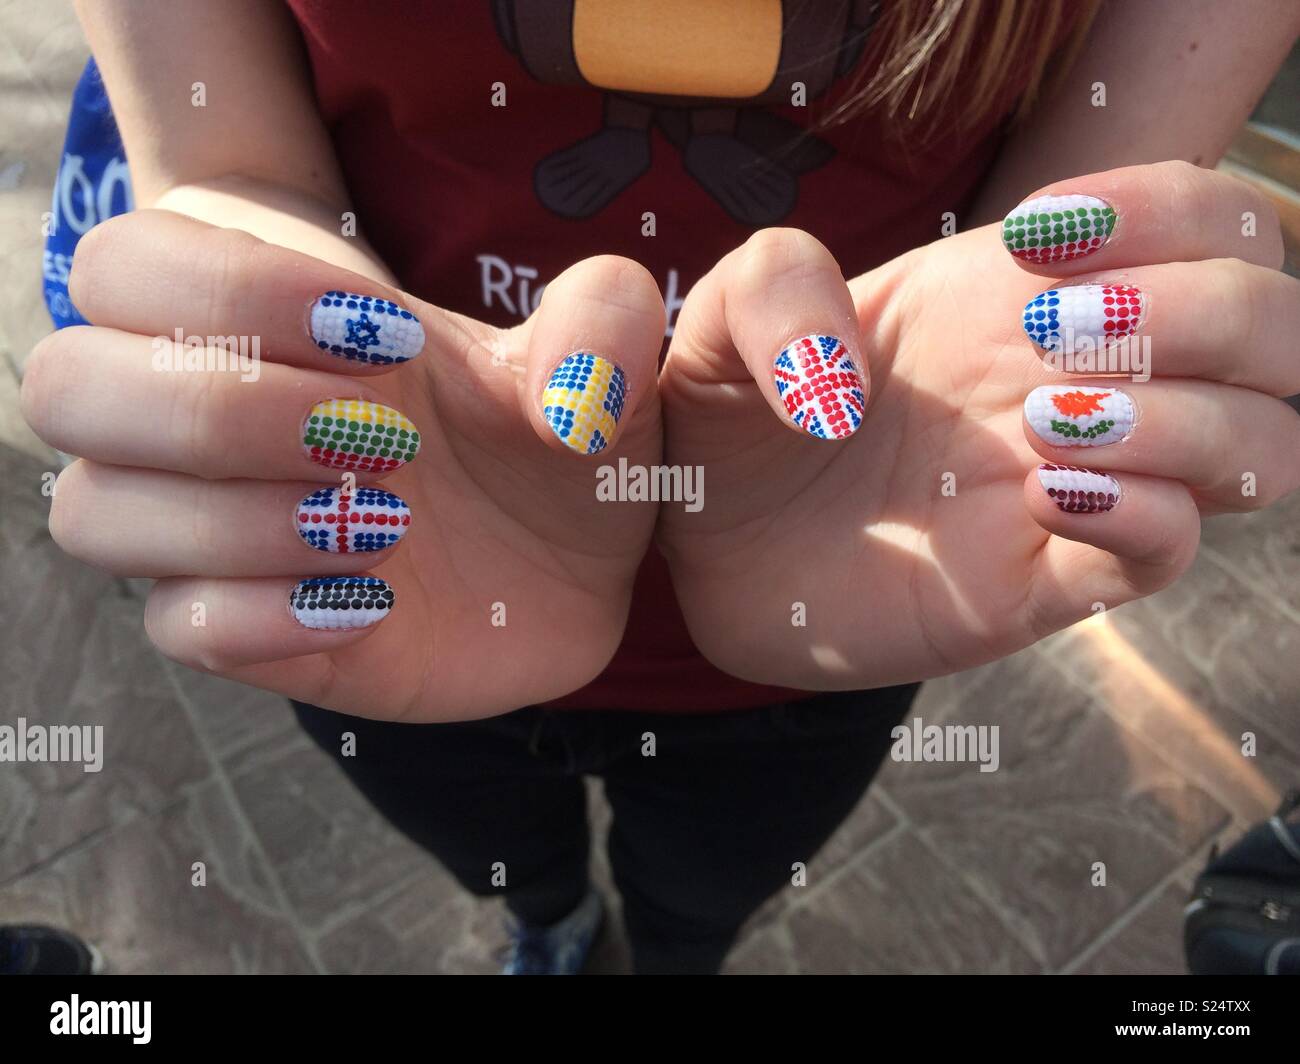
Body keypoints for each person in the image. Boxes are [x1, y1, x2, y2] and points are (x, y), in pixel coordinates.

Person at [22, 0, 1300, 973]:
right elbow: (230, 164)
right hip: (399, 571)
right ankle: (555, 923)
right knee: (507, 862)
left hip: (839, 591)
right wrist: (296, 347)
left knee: (700, 900)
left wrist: (1014, 374)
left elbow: (1047, 258)